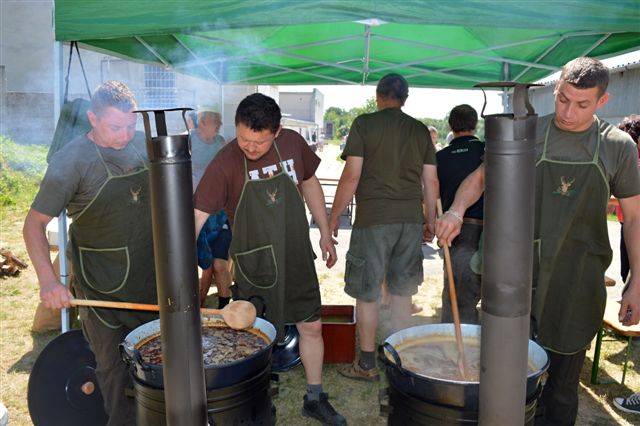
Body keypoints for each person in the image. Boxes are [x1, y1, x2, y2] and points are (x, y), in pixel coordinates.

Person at [436, 57, 640, 425]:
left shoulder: (617, 145)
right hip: (517, 275)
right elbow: (480, 178)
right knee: (506, 377)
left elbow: (635, 218)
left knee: (561, 388)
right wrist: (455, 209)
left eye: (582, 104)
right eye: (563, 99)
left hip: (576, 279)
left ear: (602, 101)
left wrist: (637, 281)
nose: (568, 113)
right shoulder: (529, 132)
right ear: (556, 89)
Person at [193, 93, 346, 425]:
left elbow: (310, 184)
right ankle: (257, 402)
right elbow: (197, 215)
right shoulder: (225, 162)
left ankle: (314, 398)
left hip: (295, 253)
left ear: (277, 132)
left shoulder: (292, 144)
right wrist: (178, 261)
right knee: (255, 336)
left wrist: (324, 232)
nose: (249, 147)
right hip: (255, 263)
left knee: (311, 325)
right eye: (243, 138)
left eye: (259, 142)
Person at [23, 81, 157, 425]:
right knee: (114, 375)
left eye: (130, 125)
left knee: (157, 369)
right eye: (115, 127)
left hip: (150, 280)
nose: (125, 135)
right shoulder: (72, 161)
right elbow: (33, 225)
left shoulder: (142, 143)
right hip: (102, 290)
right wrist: (48, 281)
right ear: (92, 119)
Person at [329, 73, 439, 382]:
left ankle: (366, 365)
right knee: (403, 292)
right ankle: (398, 359)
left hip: (373, 220)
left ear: (378, 96)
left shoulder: (364, 124)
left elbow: (352, 175)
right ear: (405, 99)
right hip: (409, 221)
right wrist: (430, 219)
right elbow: (430, 181)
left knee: (367, 293)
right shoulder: (420, 131)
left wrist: (335, 214)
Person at [436, 104, 485, 324]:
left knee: (456, 298)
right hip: (488, 232)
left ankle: (456, 340)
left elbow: (432, 193)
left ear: (450, 126)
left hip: (455, 232)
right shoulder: (487, 150)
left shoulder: (440, 157)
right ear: (475, 124)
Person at [190, 111, 232, 308]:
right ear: (202, 124)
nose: (217, 129)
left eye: (219, 125)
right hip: (196, 208)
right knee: (205, 265)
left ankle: (224, 307)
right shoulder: (189, 141)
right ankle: (198, 305)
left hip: (219, 213)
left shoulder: (220, 142)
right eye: (215, 125)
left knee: (218, 264)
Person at [615, 115, 640, 284]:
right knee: (627, 271)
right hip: (626, 222)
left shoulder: (634, 163)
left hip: (633, 222)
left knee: (630, 271)